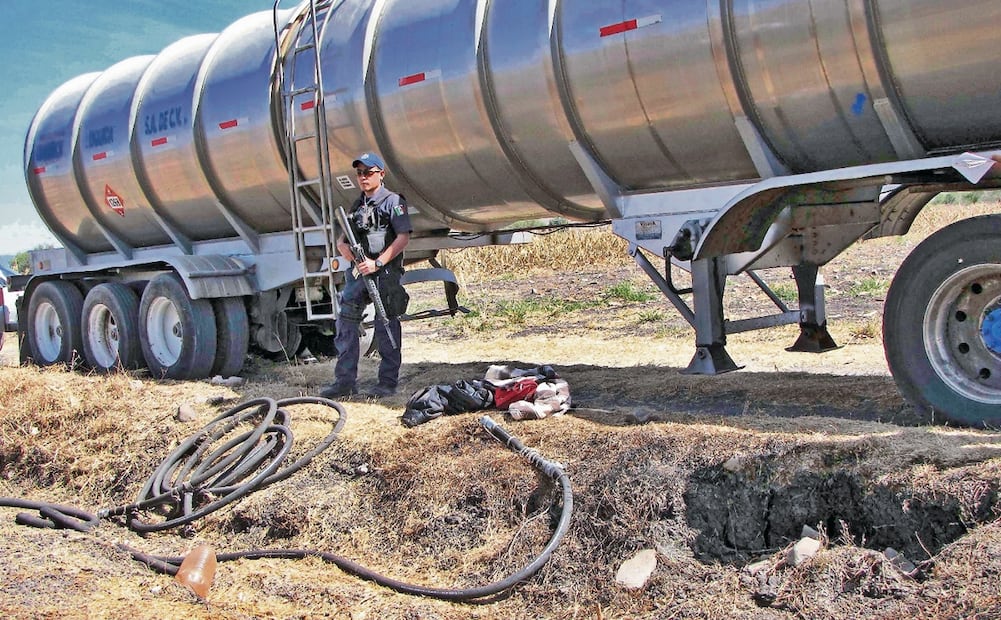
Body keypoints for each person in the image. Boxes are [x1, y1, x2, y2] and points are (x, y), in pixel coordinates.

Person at [321, 152, 412, 399]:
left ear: (381, 174)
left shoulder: (393, 201)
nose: (363, 177)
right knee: (346, 323)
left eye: (368, 173)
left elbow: (403, 237)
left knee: (386, 325)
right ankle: (344, 382)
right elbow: (344, 237)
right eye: (359, 173)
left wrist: (378, 262)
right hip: (359, 273)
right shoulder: (357, 205)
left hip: (384, 273)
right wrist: (342, 246)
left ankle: (387, 383)